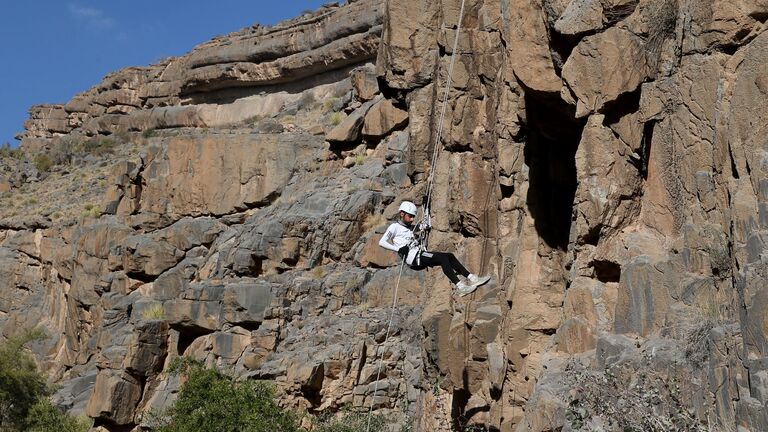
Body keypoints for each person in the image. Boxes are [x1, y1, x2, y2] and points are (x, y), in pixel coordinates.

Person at [378, 200, 491, 296]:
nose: (412, 219)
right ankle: (460, 287)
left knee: (449, 256)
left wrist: (426, 208)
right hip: (413, 258)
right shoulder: (394, 227)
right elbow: (382, 242)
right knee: (443, 259)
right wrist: (398, 249)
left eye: (413, 217)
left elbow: (427, 224)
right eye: (410, 216)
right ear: (402, 214)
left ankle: (472, 278)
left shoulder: (411, 227)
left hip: (419, 254)